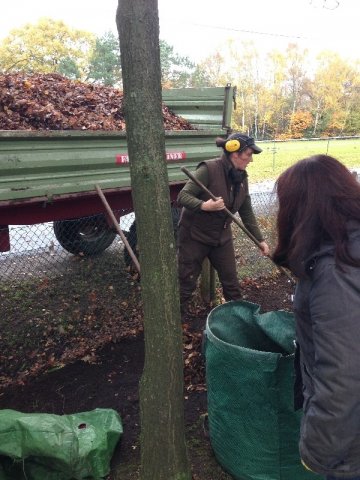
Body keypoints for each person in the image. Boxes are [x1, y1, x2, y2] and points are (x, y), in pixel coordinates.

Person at [272, 154, 360, 480]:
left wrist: (318, 450)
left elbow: (344, 377)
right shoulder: (347, 247)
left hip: (351, 450)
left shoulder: (337, 271)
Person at [177, 132, 270, 315]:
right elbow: (182, 197)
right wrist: (204, 205)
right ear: (235, 153)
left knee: (232, 284)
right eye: (248, 154)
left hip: (221, 238)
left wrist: (260, 240)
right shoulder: (209, 169)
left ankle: (238, 320)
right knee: (185, 283)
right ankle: (174, 323)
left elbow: (246, 211)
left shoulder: (241, 177)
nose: (250, 160)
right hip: (194, 236)